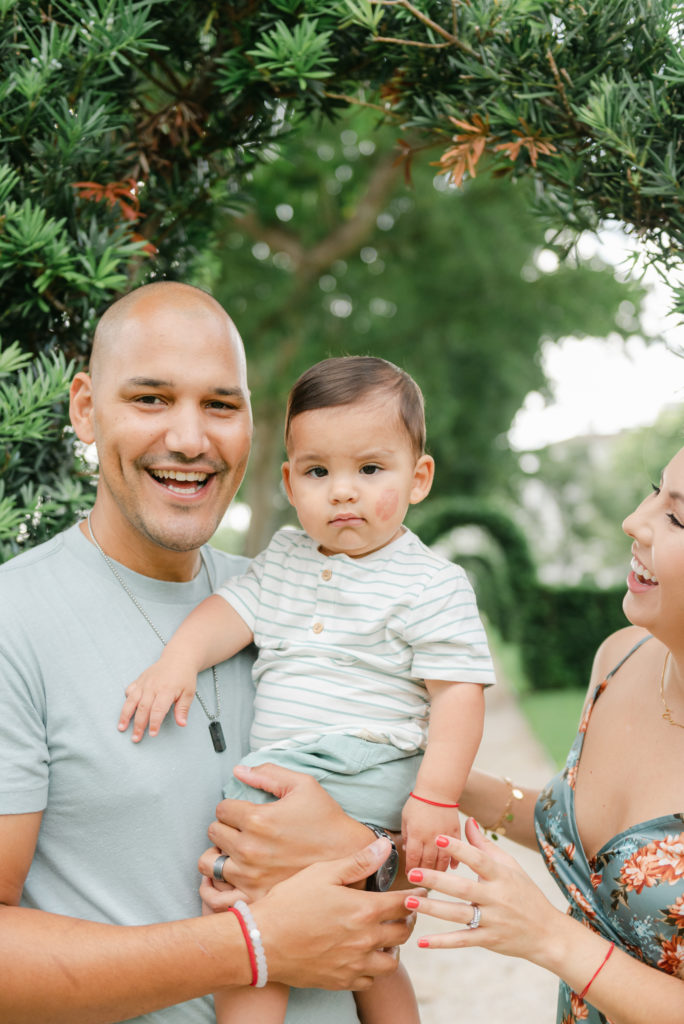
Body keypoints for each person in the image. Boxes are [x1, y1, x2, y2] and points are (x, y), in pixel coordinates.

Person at [0, 282, 419, 1024]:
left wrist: (370, 852)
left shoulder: (291, 595)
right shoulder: (15, 620)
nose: (191, 439)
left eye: (221, 405)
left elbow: (413, 802)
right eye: (152, 399)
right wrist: (251, 948)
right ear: (85, 410)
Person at [118, 354, 495, 1024]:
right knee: (304, 934)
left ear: (419, 478)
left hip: (368, 764)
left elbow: (459, 693)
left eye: (370, 469)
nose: (342, 491)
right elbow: (228, 616)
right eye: (319, 472)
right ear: (290, 483)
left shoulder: (429, 582)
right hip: (283, 778)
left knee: (295, 925)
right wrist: (179, 658)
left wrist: (435, 795)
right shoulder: (286, 558)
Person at [402, 448, 684, 1023]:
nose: (634, 520)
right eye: (655, 490)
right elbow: (588, 847)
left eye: (678, 516)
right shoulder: (618, 659)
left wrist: (549, 937)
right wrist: (425, 776)